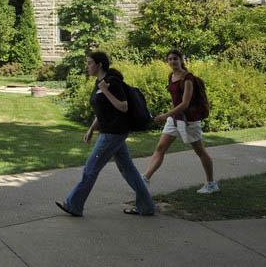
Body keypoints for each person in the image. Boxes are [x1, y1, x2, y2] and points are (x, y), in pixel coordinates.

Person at [55, 52, 154, 217]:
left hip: (113, 133)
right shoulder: (99, 83)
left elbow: (123, 106)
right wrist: (91, 129)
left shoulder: (112, 82)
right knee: (128, 170)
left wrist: (106, 91)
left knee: (90, 168)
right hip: (111, 132)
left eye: (89, 63)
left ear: (99, 64)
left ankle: (74, 205)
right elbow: (102, 111)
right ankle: (147, 206)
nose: (87, 66)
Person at [142, 49, 219, 194]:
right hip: (174, 119)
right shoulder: (171, 76)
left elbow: (185, 104)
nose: (172, 61)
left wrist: (165, 115)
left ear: (181, 60)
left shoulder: (187, 78)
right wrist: (170, 116)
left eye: (175, 58)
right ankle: (145, 178)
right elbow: (176, 101)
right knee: (160, 148)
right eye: (170, 59)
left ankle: (211, 184)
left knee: (200, 152)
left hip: (188, 121)